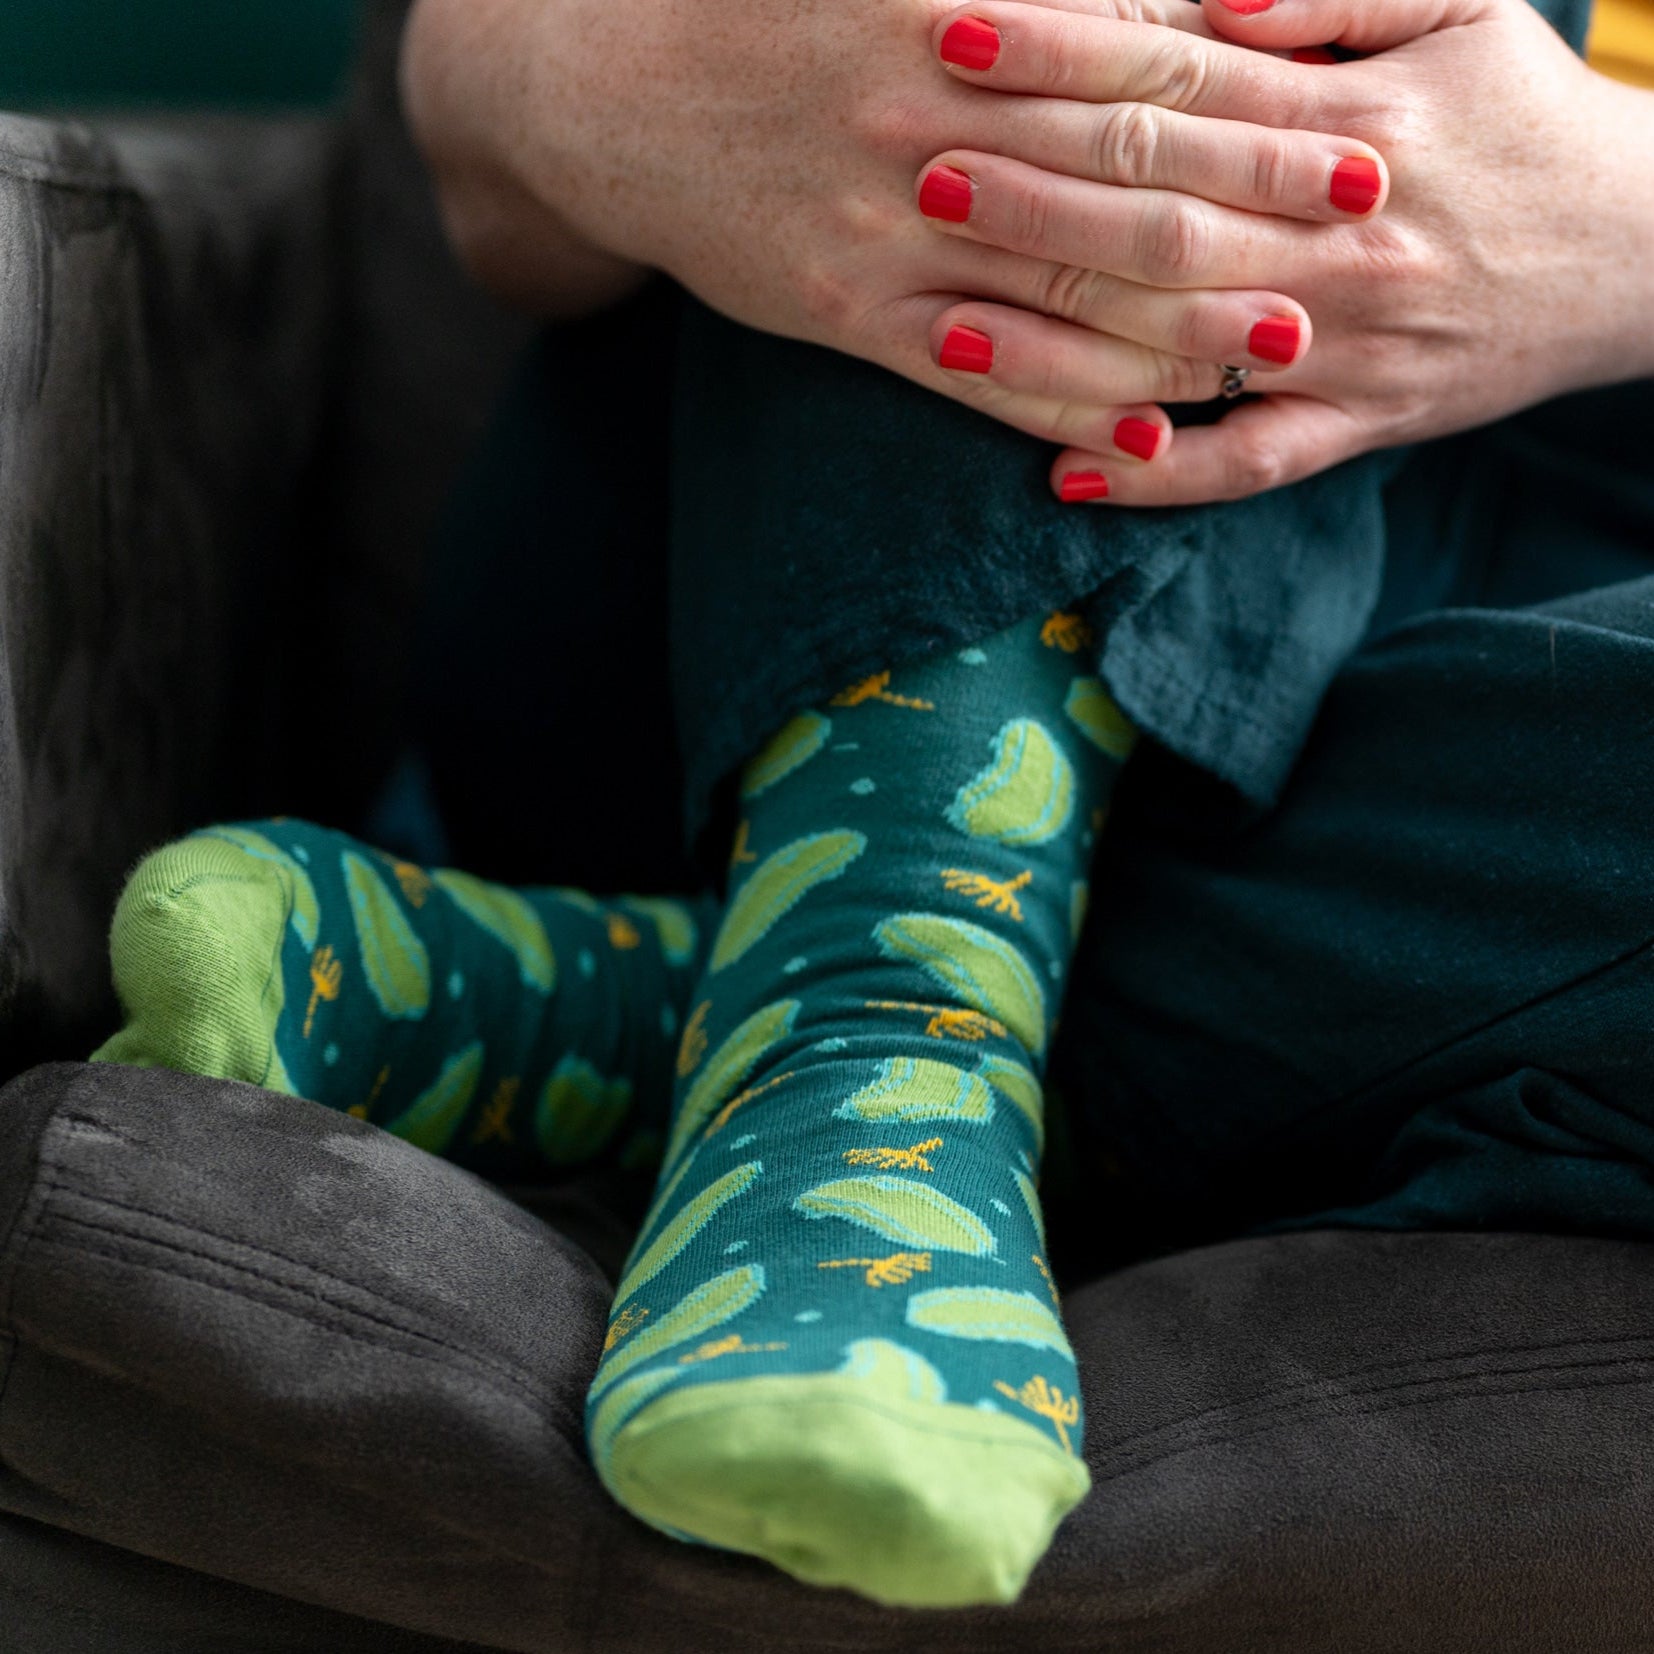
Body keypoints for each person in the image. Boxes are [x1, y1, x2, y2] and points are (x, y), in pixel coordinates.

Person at [89, 0, 1654, 1613]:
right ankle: (886, 1019)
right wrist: (655, 79)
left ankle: (744, 988)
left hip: (1511, 765)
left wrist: (1620, 231)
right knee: (1191, 59)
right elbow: (482, 144)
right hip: (773, 581)